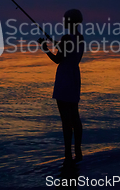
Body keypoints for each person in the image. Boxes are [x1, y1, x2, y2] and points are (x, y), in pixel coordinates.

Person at [38, 9, 85, 164]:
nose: (63, 21)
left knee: (66, 119)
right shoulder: (80, 38)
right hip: (75, 76)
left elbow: (58, 59)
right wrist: (57, 44)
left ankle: (67, 153)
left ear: (70, 21)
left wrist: (45, 48)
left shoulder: (66, 38)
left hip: (64, 77)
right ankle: (78, 150)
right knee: (75, 116)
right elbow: (71, 53)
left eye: (65, 19)